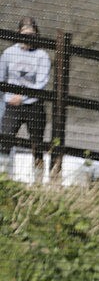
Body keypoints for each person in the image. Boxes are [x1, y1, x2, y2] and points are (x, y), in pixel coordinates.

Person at [0, 16, 51, 168]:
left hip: (33, 105)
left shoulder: (42, 56)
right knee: (5, 140)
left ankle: (38, 177)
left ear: (36, 34)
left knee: (37, 145)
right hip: (11, 105)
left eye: (31, 34)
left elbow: (41, 83)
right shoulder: (9, 53)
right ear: (18, 33)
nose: (27, 37)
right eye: (24, 33)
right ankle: (3, 174)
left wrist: (22, 97)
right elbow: (1, 77)